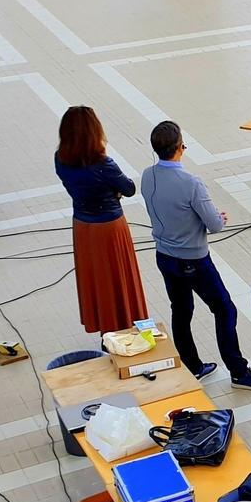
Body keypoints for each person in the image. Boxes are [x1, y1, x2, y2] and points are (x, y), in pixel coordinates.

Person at [140, 120, 251, 390]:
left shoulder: (147, 175)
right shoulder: (191, 183)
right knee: (224, 309)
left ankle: (192, 365)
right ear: (180, 148)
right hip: (194, 260)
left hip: (164, 256)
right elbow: (214, 224)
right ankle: (238, 371)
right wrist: (217, 217)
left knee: (181, 309)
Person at [55, 106, 147, 335]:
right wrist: (113, 193)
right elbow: (129, 189)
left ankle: (102, 323)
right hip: (109, 226)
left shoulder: (60, 159)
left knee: (95, 278)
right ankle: (126, 322)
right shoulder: (104, 164)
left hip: (82, 225)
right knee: (119, 277)